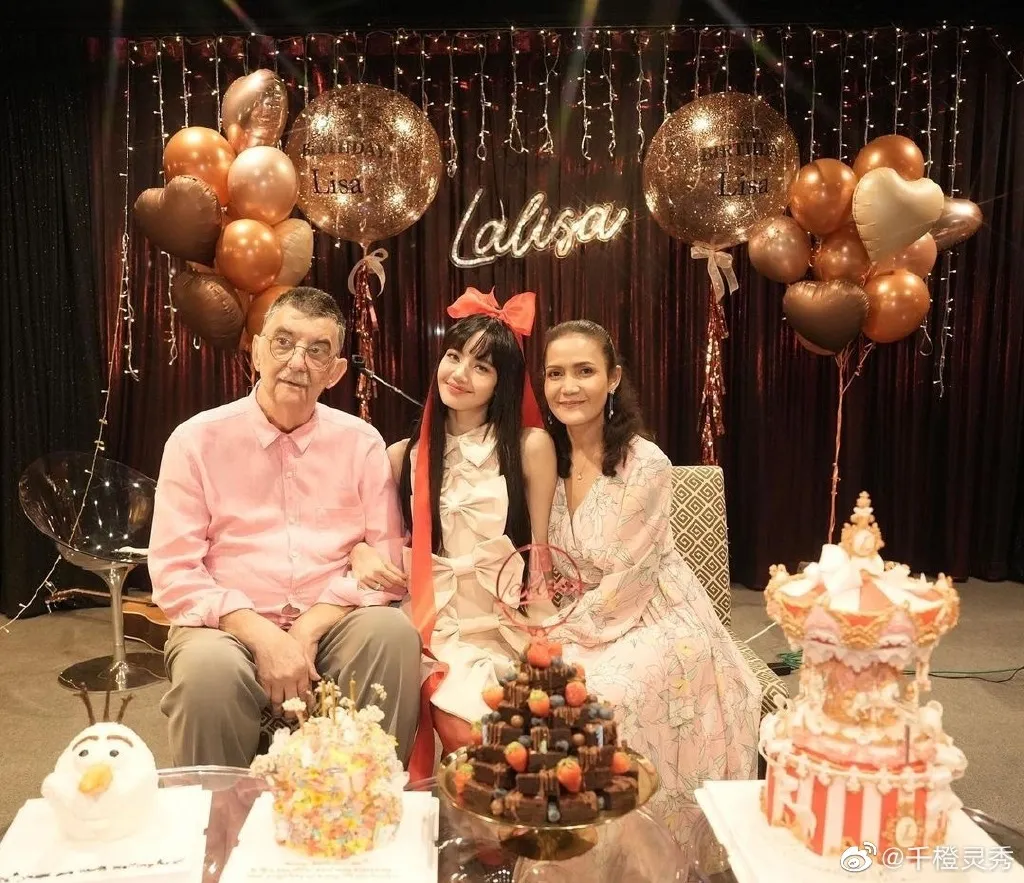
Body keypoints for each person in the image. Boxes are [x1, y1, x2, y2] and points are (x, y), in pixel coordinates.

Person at [148, 286, 421, 769]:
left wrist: (310, 627)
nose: (298, 362)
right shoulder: (195, 441)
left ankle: (366, 799)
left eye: (318, 350)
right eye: (283, 342)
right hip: (226, 626)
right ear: (256, 350)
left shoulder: (361, 443)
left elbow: (386, 567)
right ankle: (217, 812)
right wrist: (262, 634)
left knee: (392, 633)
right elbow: (174, 572)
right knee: (208, 671)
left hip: (334, 620)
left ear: (335, 372)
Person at [540, 319, 760, 846]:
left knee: (603, 698)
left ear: (613, 378)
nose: (568, 387)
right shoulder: (544, 455)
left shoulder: (645, 464)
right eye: (555, 373)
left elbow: (628, 582)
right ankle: (562, 847)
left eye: (584, 371)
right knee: (533, 695)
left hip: (653, 613)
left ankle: (640, 851)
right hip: (573, 611)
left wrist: (554, 633)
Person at [365, 287, 557, 777]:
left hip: (507, 624)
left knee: (547, 727)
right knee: (469, 736)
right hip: (437, 628)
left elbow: (540, 550)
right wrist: (359, 554)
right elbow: (371, 540)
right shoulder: (401, 456)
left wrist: (545, 632)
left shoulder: (530, 447)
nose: (459, 374)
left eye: (481, 366)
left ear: (503, 382)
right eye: (453, 357)